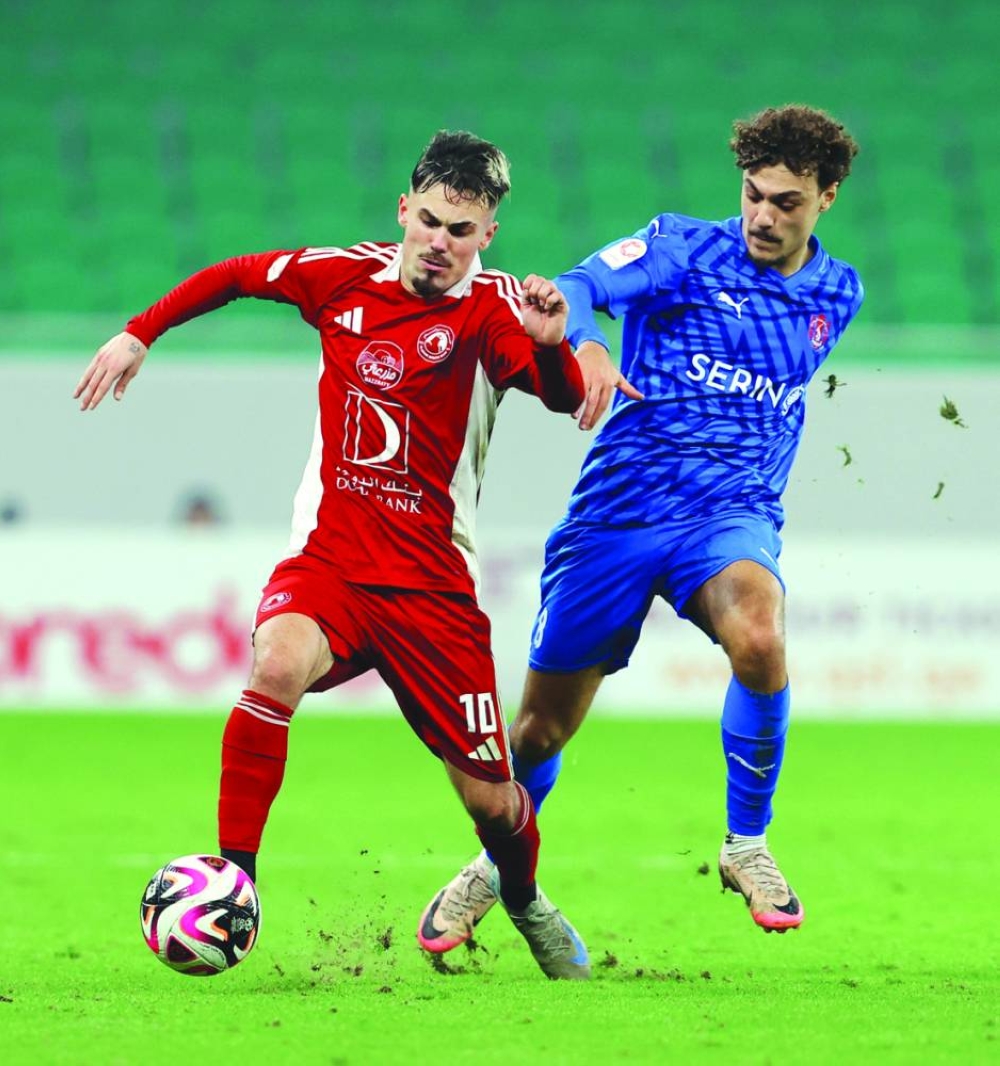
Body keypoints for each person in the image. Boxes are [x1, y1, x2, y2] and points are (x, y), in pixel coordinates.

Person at [75, 130, 591, 980]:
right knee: (274, 662)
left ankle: (525, 898)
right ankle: (232, 879)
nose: (439, 242)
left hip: (431, 591)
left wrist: (547, 342)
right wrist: (141, 333)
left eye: (461, 231)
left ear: (487, 233)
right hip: (332, 566)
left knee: (493, 804)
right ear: (404, 208)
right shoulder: (342, 274)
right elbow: (237, 273)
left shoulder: (499, 310)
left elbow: (565, 396)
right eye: (428, 220)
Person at [419, 105, 864, 950]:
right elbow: (579, 286)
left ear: (826, 199)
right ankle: (491, 867)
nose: (764, 216)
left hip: (728, 517)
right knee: (540, 729)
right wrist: (586, 344)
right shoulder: (682, 247)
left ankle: (747, 844)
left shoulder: (837, 294)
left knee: (762, 640)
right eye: (753, 195)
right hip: (618, 517)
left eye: (787, 202)